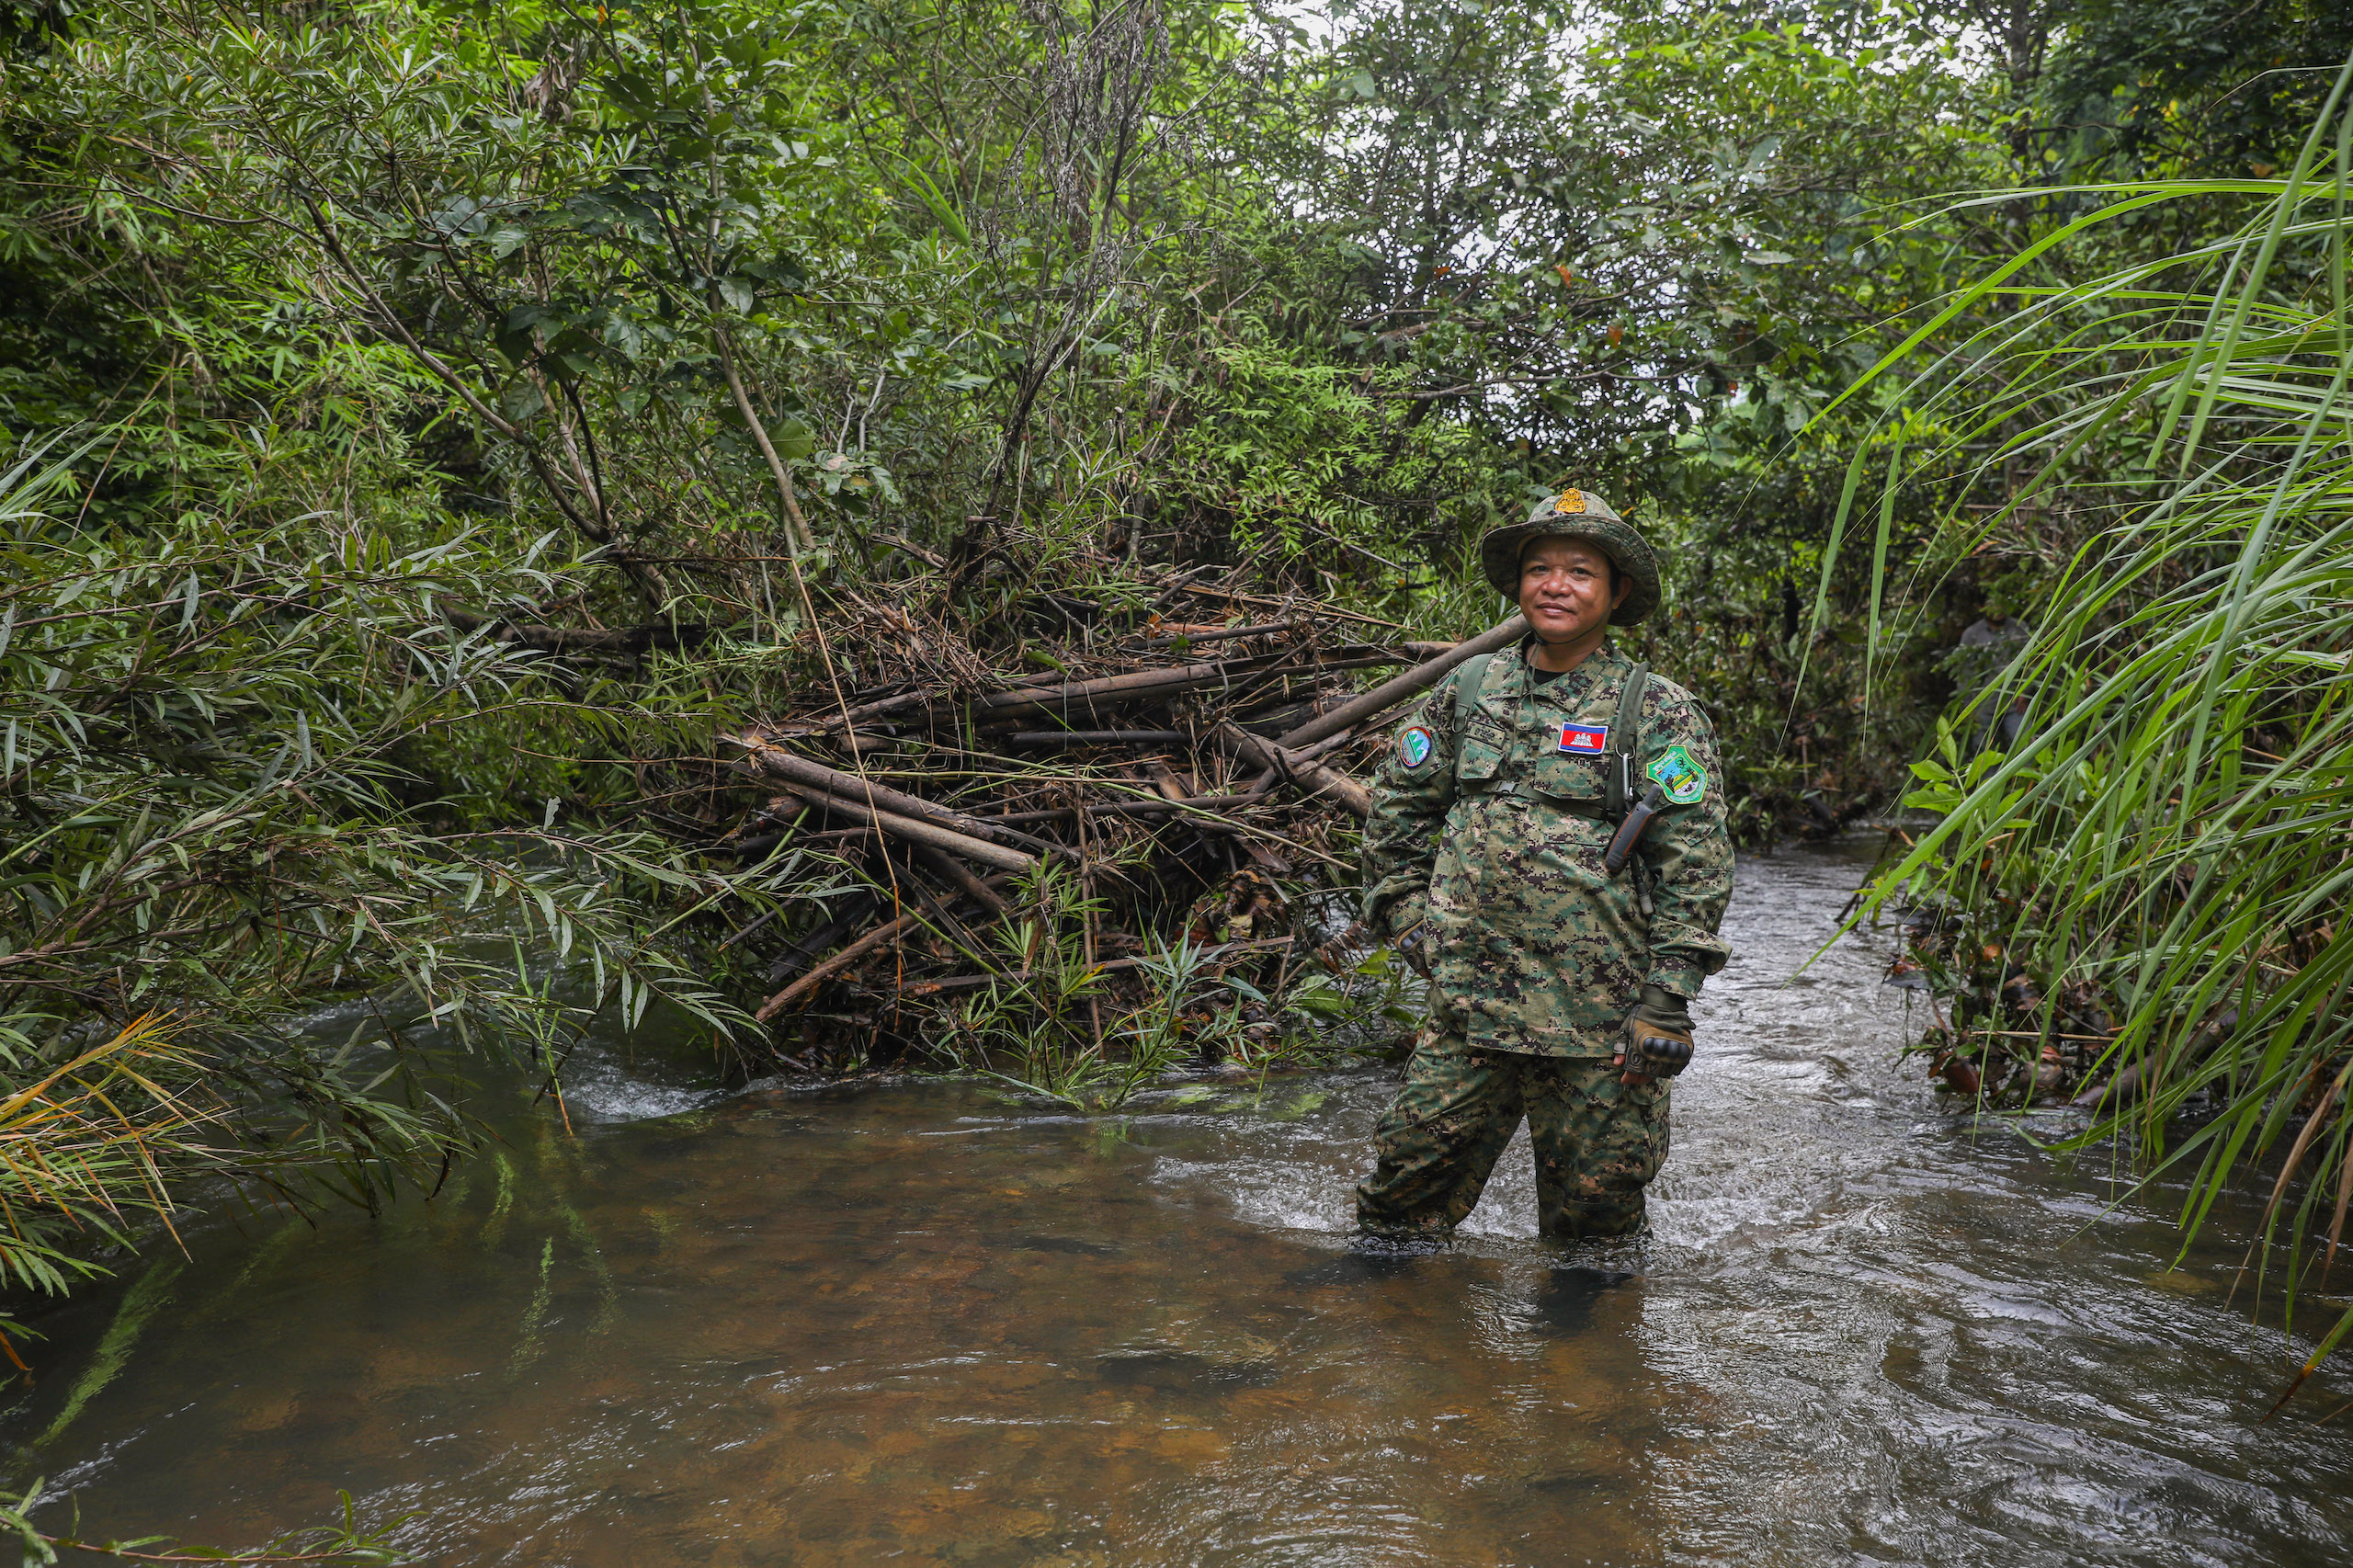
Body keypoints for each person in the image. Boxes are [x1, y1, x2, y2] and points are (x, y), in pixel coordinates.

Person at [1355, 489, 1734, 1241]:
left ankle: (1585, 1358)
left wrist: (1668, 1000)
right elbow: (1398, 814)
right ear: (1517, 584)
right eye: (1539, 568)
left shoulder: (1654, 710)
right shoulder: (1467, 691)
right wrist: (1406, 923)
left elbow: (1696, 861)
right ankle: (1390, 1343)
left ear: (1615, 591)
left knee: (1595, 1226)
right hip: (1469, 1010)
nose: (1554, 585)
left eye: (1578, 571)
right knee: (1399, 1204)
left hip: (1598, 1022)